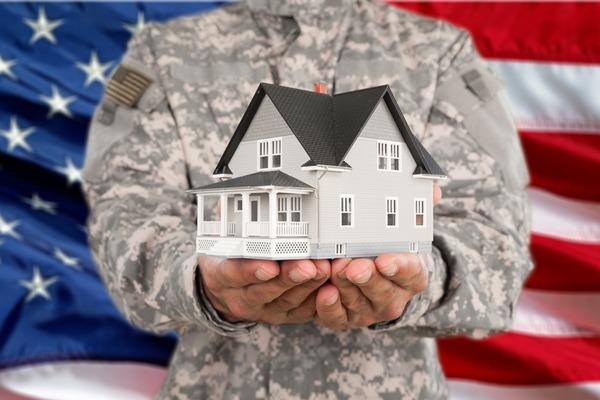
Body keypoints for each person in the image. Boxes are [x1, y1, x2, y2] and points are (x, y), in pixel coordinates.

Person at [82, 0, 533, 398]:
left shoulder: (438, 54)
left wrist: (422, 277)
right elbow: (122, 213)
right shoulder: (166, 54)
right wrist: (198, 278)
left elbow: (498, 240)